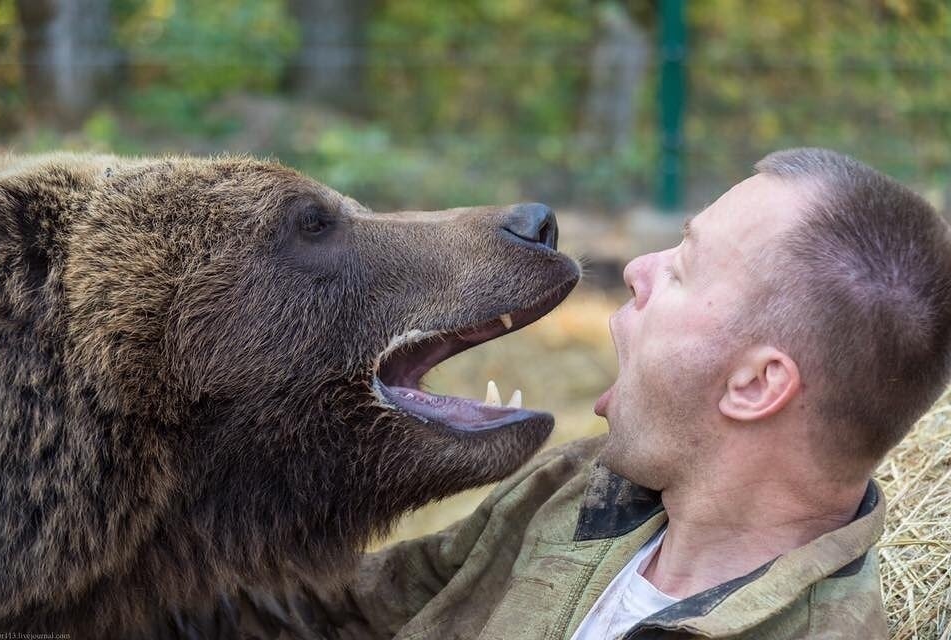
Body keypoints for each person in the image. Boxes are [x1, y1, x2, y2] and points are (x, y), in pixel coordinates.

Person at [233, 148, 951, 639]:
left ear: (756, 385)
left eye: (683, 270)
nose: (638, 267)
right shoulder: (581, 494)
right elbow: (352, 609)